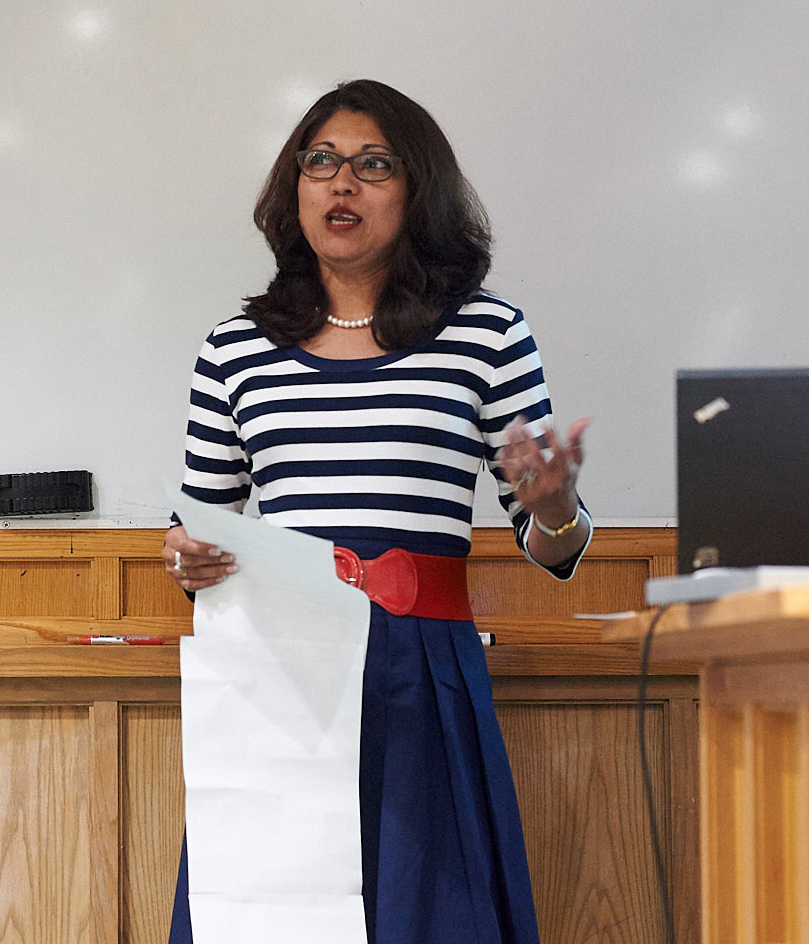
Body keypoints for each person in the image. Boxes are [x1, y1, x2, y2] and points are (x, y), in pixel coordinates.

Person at [163, 78, 592, 944]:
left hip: (421, 671)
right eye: (319, 162)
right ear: (295, 189)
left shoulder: (487, 333)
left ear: (417, 191)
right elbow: (197, 529)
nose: (340, 182)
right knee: (272, 914)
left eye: (372, 164)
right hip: (278, 674)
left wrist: (555, 505)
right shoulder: (233, 347)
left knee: (428, 917)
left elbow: (555, 547)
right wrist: (187, 557)